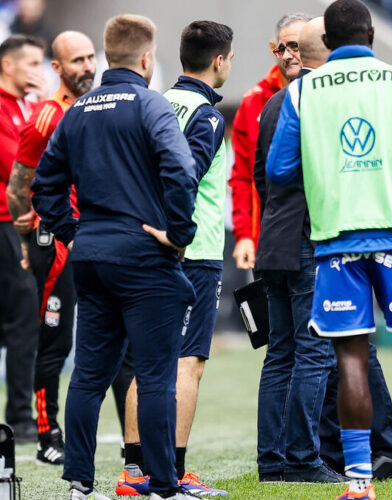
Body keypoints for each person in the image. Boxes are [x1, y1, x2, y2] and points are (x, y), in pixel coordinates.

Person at [266, 1, 392, 499]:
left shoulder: (302, 90)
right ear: (371, 32)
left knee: (351, 360)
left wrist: (330, 166)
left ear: (326, 39)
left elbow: (279, 172)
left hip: (335, 239)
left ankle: (359, 481)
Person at [31, 14, 198, 500]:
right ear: (147, 58)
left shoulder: (78, 110)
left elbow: (45, 187)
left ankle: (80, 483)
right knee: (154, 377)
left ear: (107, 56)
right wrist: (179, 233)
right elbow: (181, 170)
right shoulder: (151, 104)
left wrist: (74, 234)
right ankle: (165, 485)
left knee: (88, 374)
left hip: (92, 256)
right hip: (146, 257)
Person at [116, 20, 233, 497]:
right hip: (193, 251)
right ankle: (177, 472)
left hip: (143, 247)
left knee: (148, 363)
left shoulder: (155, 102)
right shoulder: (205, 114)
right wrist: (175, 233)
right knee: (188, 364)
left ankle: (133, 471)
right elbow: (184, 173)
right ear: (220, 61)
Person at [250, 14, 344, 484]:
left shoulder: (273, 103)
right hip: (311, 240)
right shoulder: (324, 98)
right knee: (314, 354)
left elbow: (261, 178)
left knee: (280, 354)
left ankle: (272, 462)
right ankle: (303, 460)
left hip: (275, 240)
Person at [5, 30, 96, 466]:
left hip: (101, 238)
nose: (87, 67)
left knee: (113, 343)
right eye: (76, 60)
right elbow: (18, 186)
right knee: (54, 341)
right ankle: (47, 433)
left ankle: (135, 448)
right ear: (56, 68)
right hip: (57, 244)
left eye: (90, 57)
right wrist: (27, 241)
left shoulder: (99, 107)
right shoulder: (46, 115)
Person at [0, 33, 47, 445]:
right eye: (32, 63)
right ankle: (19, 418)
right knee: (21, 322)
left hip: (23, 224)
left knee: (24, 322)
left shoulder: (29, 108)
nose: (39, 70)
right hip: (6, 225)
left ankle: (20, 415)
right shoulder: (4, 108)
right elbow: (15, 164)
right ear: (9, 65)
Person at [228, 15, 300, 270]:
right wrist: (244, 235)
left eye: (299, 46)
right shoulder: (253, 102)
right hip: (267, 243)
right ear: (274, 50)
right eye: (285, 47)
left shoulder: (329, 96)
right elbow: (241, 176)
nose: (290, 54)